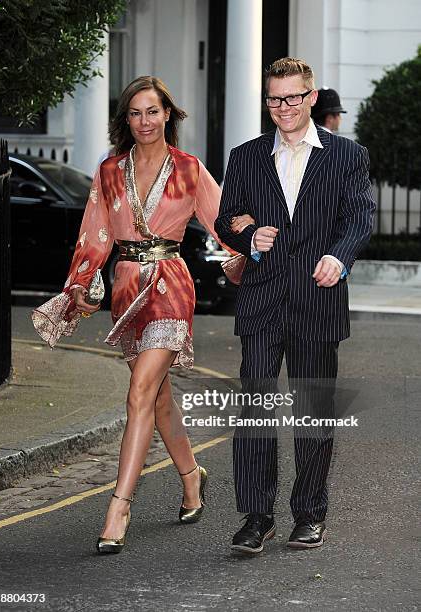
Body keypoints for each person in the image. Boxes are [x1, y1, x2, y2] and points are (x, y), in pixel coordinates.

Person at [32, 75, 250, 554]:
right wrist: (82, 284)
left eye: (152, 111)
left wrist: (249, 246)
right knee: (159, 398)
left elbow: (226, 219)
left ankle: (118, 506)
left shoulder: (190, 169)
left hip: (171, 284)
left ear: (167, 114)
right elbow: (95, 235)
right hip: (127, 288)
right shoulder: (110, 171)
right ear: (126, 119)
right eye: (135, 113)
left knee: (138, 393)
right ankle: (193, 477)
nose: (144, 121)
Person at [215, 57, 375, 554]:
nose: (282, 108)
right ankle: (256, 516)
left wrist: (339, 256)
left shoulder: (348, 156)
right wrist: (249, 235)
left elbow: (360, 218)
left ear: (310, 98)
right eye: (273, 99)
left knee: (312, 411)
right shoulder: (245, 156)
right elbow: (225, 221)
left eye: (291, 97)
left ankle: (309, 514)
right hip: (262, 299)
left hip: (317, 298)